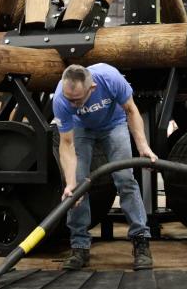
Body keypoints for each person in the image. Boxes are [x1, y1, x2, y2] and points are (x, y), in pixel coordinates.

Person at [53, 63, 157, 271]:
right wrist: (71, 182)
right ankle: (79, 247)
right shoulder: (61, 99)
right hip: (82, 128)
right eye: (69, 99)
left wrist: (143, 145)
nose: (72, 104)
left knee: (125, 180)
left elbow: (131, 109)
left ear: (92, 88)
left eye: (76, 100)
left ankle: (141, 241)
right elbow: (66, 143)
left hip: (114, 124)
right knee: (77, 189)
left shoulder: (110, 78)